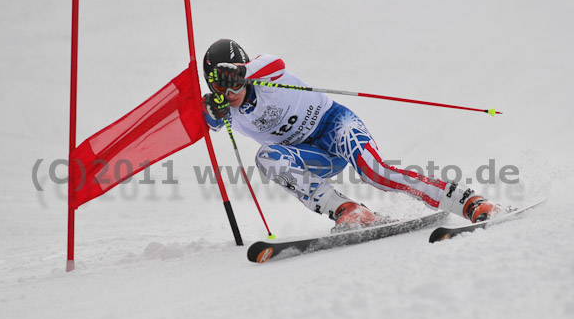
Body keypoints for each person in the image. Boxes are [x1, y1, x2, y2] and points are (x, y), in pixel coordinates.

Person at [201, 39, 500, 232]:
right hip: (311, 156)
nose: (230, 93)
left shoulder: (263, 73)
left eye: (235, 84)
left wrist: (241, 70)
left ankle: (470, 203)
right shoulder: (223, 110)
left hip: (334, 125)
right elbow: (203, 122)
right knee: (268, 158)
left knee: (376, 173)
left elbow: (274, 62)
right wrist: (209, 111)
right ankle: (350, 211)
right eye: (220, 87)